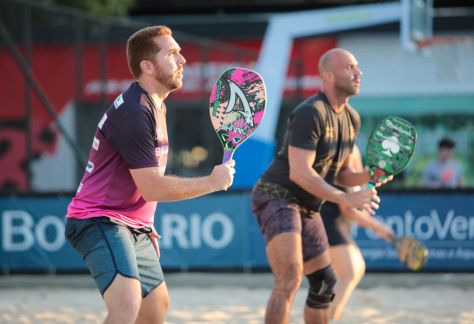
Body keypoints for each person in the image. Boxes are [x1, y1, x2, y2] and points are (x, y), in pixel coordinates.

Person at [64, 25, 235, 324]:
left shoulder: (155, 106)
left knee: (155, 307)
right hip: (99, 219)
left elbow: (142, 180)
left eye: (180, 52)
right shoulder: (135, 112)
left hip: (131, 223)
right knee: (126, 304)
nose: (183, 60)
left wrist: (144, 221)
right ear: (147, 66)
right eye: (172, 53)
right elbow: (153, 187)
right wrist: (212, 182)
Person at [251, 48, 390, 324]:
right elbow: (301, 174)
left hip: (307, 206)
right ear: (327, 75)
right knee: (289, 278)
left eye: (357, 66)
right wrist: (346, 199)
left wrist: (366, 175)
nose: (358, 72)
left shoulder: (352, 119)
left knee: (325, 283)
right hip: (278, 195)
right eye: (350, 67)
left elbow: (340, 174)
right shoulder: (310, 112)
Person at [321, 144, 394, 321]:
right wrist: (378, 227)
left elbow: (351, 204)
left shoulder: (351, 149)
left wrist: (365, 214)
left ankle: (328, 317)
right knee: (350, 271)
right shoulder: (346, 149)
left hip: (331, 220)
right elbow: (348, 208)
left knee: (348, 273)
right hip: (328, 221)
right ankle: (326, 318)